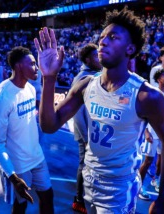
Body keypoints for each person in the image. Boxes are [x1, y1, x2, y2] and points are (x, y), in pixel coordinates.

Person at [34, 7, 164, 213]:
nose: (103, 41)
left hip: (119, 188)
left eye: (113, 37)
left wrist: (162, 199)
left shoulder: (147, 96)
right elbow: (48, 125)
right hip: (89, 180)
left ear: (129, 49)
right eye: (102, 37)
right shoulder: (85, 85)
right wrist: (49, 78)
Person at [0, 46, 54, 214]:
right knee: (21, 206)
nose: (36, 68)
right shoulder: (3, 97)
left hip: (37, 157)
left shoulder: (31, 89)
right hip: (18, 166)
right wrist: (12, 175)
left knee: (48, 197)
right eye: (32, 64)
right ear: (18, 66)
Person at [71, 43, 102, 214]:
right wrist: (86, 137)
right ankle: (78, 199)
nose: (100, 59)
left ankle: (89, 196)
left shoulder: (95, 75)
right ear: (88, 59)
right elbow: (78, 111)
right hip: (86, 133)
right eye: (96, 56)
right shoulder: (83, 78)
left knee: (91, 166)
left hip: (94, 133)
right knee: (84, 165)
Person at [139, 69, 164, 199]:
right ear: (158, 79)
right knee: (148, 161)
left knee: (162, 160)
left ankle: (156, 180)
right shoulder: (153, 94)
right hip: (152, 133)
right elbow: (144, 115)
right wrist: (146, 132)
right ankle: (140, 186)